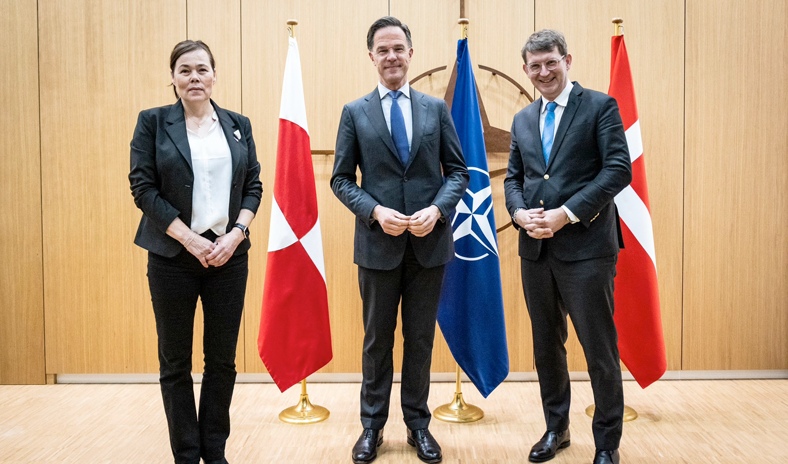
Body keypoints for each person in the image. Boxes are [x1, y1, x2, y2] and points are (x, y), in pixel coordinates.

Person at [331, 16, 468, 464]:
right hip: (378, 246)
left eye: (398, 49)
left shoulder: (436, 109)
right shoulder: (355, 112)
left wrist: (438, 209)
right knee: (377, 341)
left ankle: (417, 425)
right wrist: (374, 211)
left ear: (411, 53)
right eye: (382, 50)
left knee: (420, 340)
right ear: (371, 56)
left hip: (429, 245)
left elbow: (458, 172)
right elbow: (340, 179)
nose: (391, 56)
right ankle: (371, 427)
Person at [128, 40, 262, 464]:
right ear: (173, 78)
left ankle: (214, 451)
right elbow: (143, 188)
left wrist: (237, 233)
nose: (194, 78)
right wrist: (189, 238)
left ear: (215, 75)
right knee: (175, 362)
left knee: (221, 361)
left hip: (228, 257)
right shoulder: (152, 122)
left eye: (202, 69)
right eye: (185, 70)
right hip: (172, 259)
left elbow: (254, 185)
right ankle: (186, 454)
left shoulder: (238, 124)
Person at [504, 30, 632, 464]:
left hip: (588, 250)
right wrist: (519, 213)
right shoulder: (522, 119)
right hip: (535, 251)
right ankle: (556, 429)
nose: (544, 72)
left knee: (599, 349)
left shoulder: (599, 106)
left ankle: (607, 444)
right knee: (546, 348)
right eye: (535, 66)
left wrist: (568, 213)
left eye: (551, 62)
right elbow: (515, 178)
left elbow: (618, 169)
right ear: (525, 70)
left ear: (567, 60)